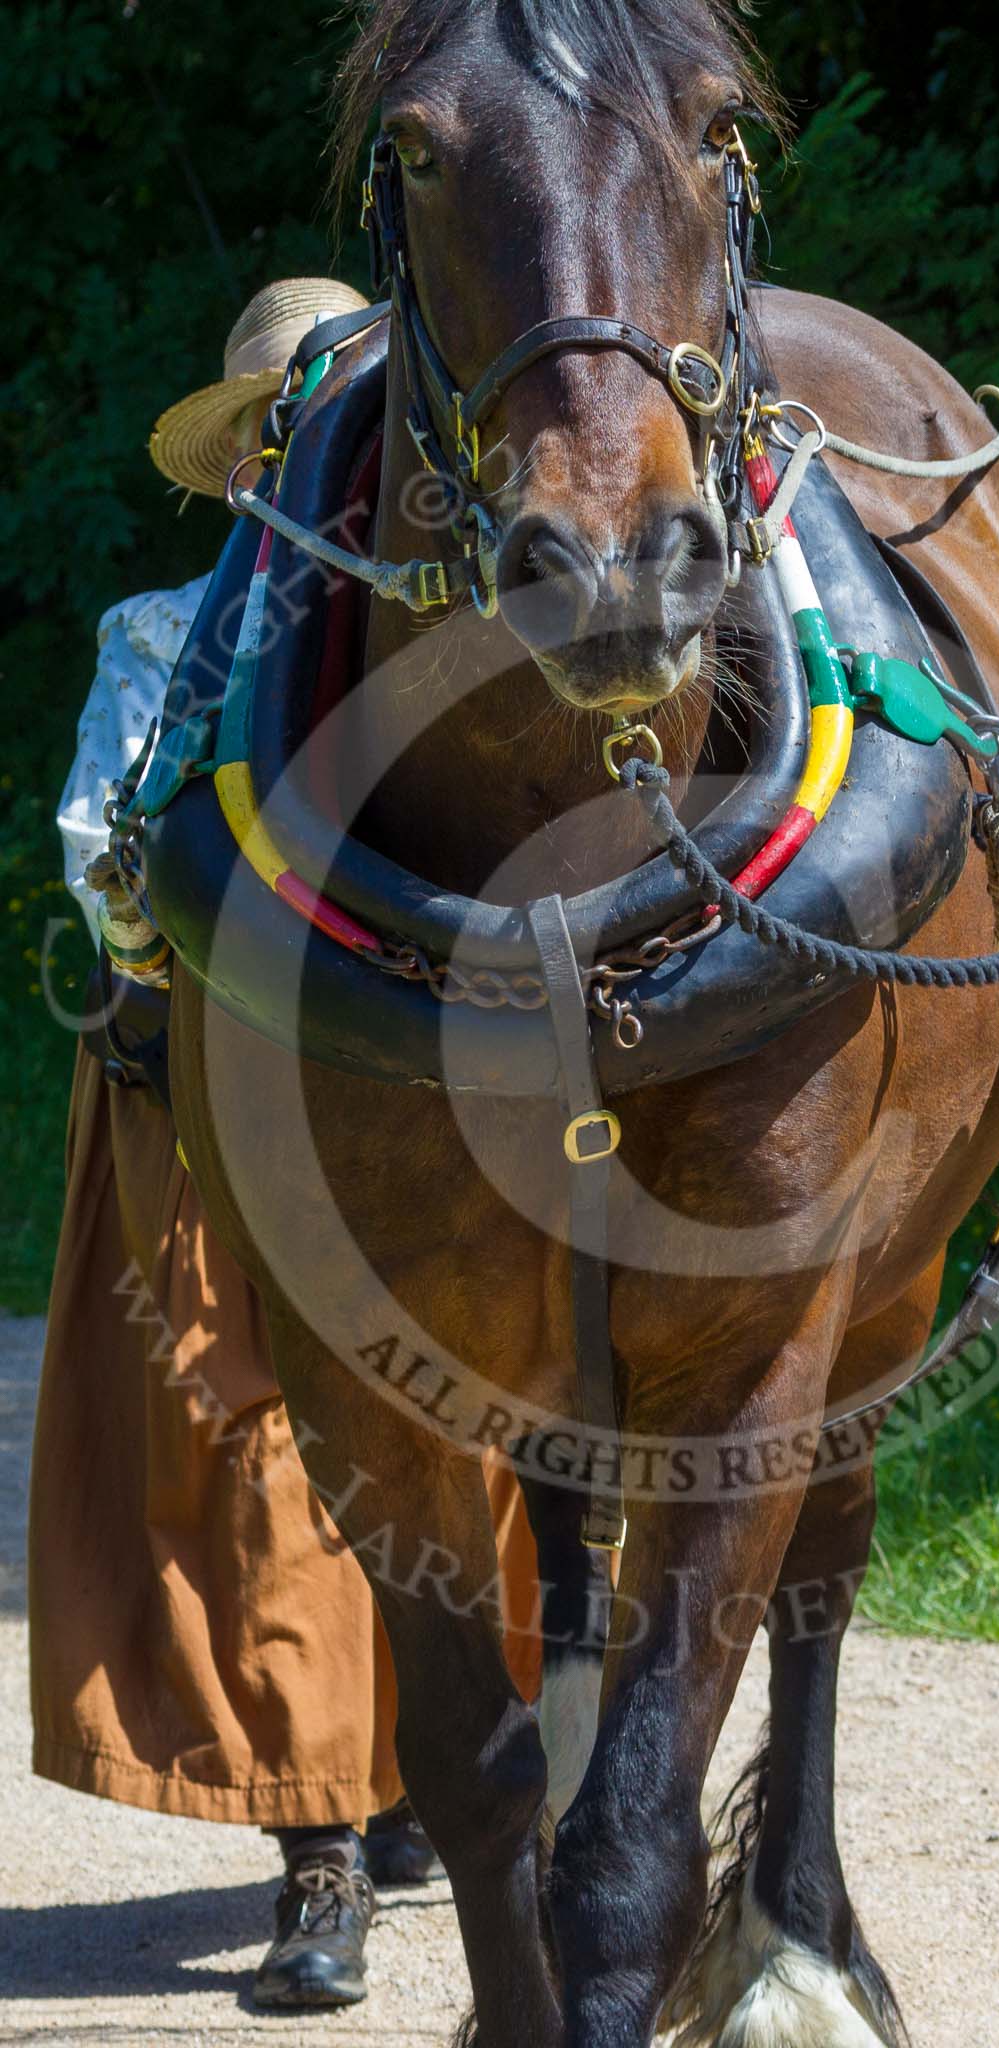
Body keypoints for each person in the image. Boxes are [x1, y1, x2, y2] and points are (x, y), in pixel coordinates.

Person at [29, 278, 542, 2010]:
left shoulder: (462, 651)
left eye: (322, 437)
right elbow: (108, 871)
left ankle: (414, 1774)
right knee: (256, 1454)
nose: (293, 469)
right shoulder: (163, 637)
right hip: (211, 1087)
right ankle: (317, 1850)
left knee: (463, 1444)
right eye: (273, 442)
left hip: (428, 1099)